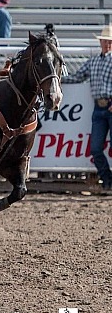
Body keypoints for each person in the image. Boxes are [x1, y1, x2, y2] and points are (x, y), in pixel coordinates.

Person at [62, 24, 112, 190]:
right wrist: (57, 79)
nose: (107, 44)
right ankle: (107, 181)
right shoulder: (93, 62)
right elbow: (77, 77)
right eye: (105, 41)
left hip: (108, 106)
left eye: (110, 41)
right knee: (96, 149)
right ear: (101, 42)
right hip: (99, 108)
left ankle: (107, 181)